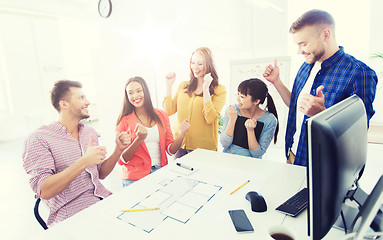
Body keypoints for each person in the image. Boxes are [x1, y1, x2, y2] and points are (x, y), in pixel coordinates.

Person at [263, 9, 377, 166]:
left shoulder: (360, 73)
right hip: (294, 156)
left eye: (304, 44)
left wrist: (322, 115)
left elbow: (357, 135)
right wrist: (276, 81)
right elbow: (295, 105)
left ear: (326, 35)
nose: (299, 51)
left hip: (325, 167)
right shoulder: (306, 66)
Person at [22, 80, 130, 227]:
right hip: (72, 216)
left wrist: (118, 149)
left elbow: (100, 175)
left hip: (104, 202)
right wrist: (84, 161)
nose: (88, 102)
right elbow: (44, 190)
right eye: (81, 98)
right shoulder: (39, 138)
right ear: (64, 104)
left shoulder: (89, 133)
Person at [116, 76, 190, 187]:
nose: (135, 96)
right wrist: (139, 139)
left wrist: (181, 134)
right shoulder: (124, 121)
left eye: (139, 91)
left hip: (159, 174)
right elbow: (122, 160)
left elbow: (171, 150)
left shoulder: (161, 115)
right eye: (130, 93)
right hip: (134, 179)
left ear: (145, 91)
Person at [163, 47, 226, 158]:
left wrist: (206, 89)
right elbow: (169, 111)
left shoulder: (219, 90)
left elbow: (210, 118)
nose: (195, 67)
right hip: (180, 145)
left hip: (203, 149)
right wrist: (168, 85)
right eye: (192, 63)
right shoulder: (183, 86)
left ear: (208, 65)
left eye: (200, 64)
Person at [220, 78, 278, 159]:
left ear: (256, 101)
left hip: (251, 164)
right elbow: (224, 144)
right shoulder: (233, 110)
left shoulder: (270, 120)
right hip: (228, 159)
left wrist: (250, 131)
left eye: (242, 96)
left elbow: (257, 154)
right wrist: (232, 120)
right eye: (238, 94)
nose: (237, 99)